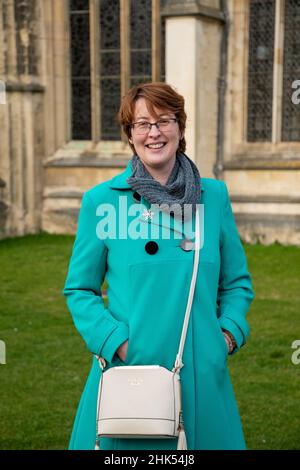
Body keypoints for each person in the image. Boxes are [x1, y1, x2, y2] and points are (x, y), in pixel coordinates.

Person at [63, 82, 254, 450]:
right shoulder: (102, 201)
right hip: (133, 376)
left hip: (200, 373)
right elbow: (80, 289)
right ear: (130, 135)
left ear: (180, 129)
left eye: (164, 121)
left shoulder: (213, 196)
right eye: (142, 124)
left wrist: (226, 335)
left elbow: (236, 283)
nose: (154, 132)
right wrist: (115, 342)